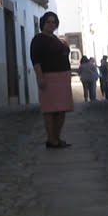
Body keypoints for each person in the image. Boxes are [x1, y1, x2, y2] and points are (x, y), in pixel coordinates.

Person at [30, 11, 73, 148]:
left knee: (62, 110)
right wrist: (40, 77)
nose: (51, 24)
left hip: (62, 78)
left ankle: (57, 137)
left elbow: (64, 55)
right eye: (48, 21)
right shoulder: (38, 39)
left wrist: (65, 48)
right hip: (49, 78)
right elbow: (35, 60)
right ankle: (51, 139)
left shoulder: (56, 39)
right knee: (50, 110)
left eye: (54, 22)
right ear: (43, 23)